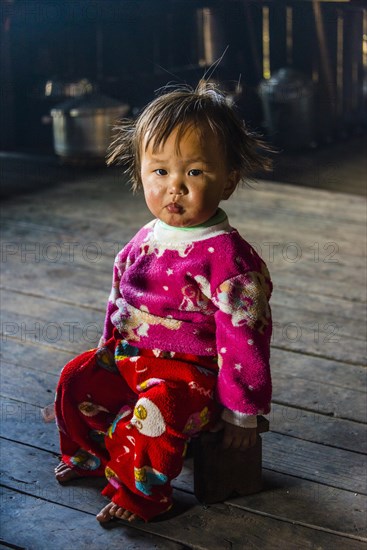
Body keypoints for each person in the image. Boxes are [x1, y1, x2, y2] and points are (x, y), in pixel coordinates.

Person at [53, 81, 273, 524]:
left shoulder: (228, 258)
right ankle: (91, 455)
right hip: (133, 356)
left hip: (192, 377)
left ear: (228, 180)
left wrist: (242, 414)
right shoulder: (146, 238)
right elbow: (121, 297)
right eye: (160, 172)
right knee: (76, 380)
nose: (175, 187)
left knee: (155, 413)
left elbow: (245, 339)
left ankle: (142, 496)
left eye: (194, 172)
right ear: (141, 174)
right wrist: (106, 347)